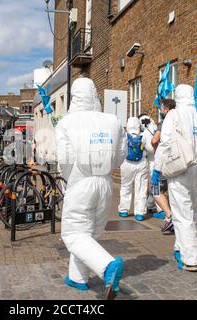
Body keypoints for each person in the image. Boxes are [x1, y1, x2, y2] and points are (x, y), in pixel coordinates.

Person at [55, 77, 127, 300]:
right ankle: (78, 278)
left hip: (81, 181)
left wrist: (72, 179)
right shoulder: (112, 120)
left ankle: (107, 266)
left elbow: (64, 160)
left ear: (75, 96)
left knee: (74, 234)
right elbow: (120, 154)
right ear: (95, 94)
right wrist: (106, 169)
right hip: (105, 182)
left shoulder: (67, 122)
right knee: (89, 234)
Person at [153, 84, 197, 272]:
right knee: (192, 211)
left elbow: (165, 143)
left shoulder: (174, 115)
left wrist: (158, 169)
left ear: (178, 96)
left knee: (182, 214)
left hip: (180, 168)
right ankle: (180, 248)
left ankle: (191, 259)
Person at [151, 99, 177, 234]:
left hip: (163, 163)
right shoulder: (181, 121)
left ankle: (169, 216)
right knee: (173, 191)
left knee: (156, 190)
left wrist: (156, 150)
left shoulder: (164, 123)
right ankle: (175, 219)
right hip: (178, 163)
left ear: (166, 109)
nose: (160, 110)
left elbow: (154, 140)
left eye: (161, 108)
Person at [118, 117, 149, 222]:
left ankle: (124, 210)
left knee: (126, 186)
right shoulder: (143, 135)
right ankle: (140, 213)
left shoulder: (124, 136)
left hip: (127, 163)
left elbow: (120, 150)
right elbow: (149, 149)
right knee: (141, 188)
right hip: (141, 163)